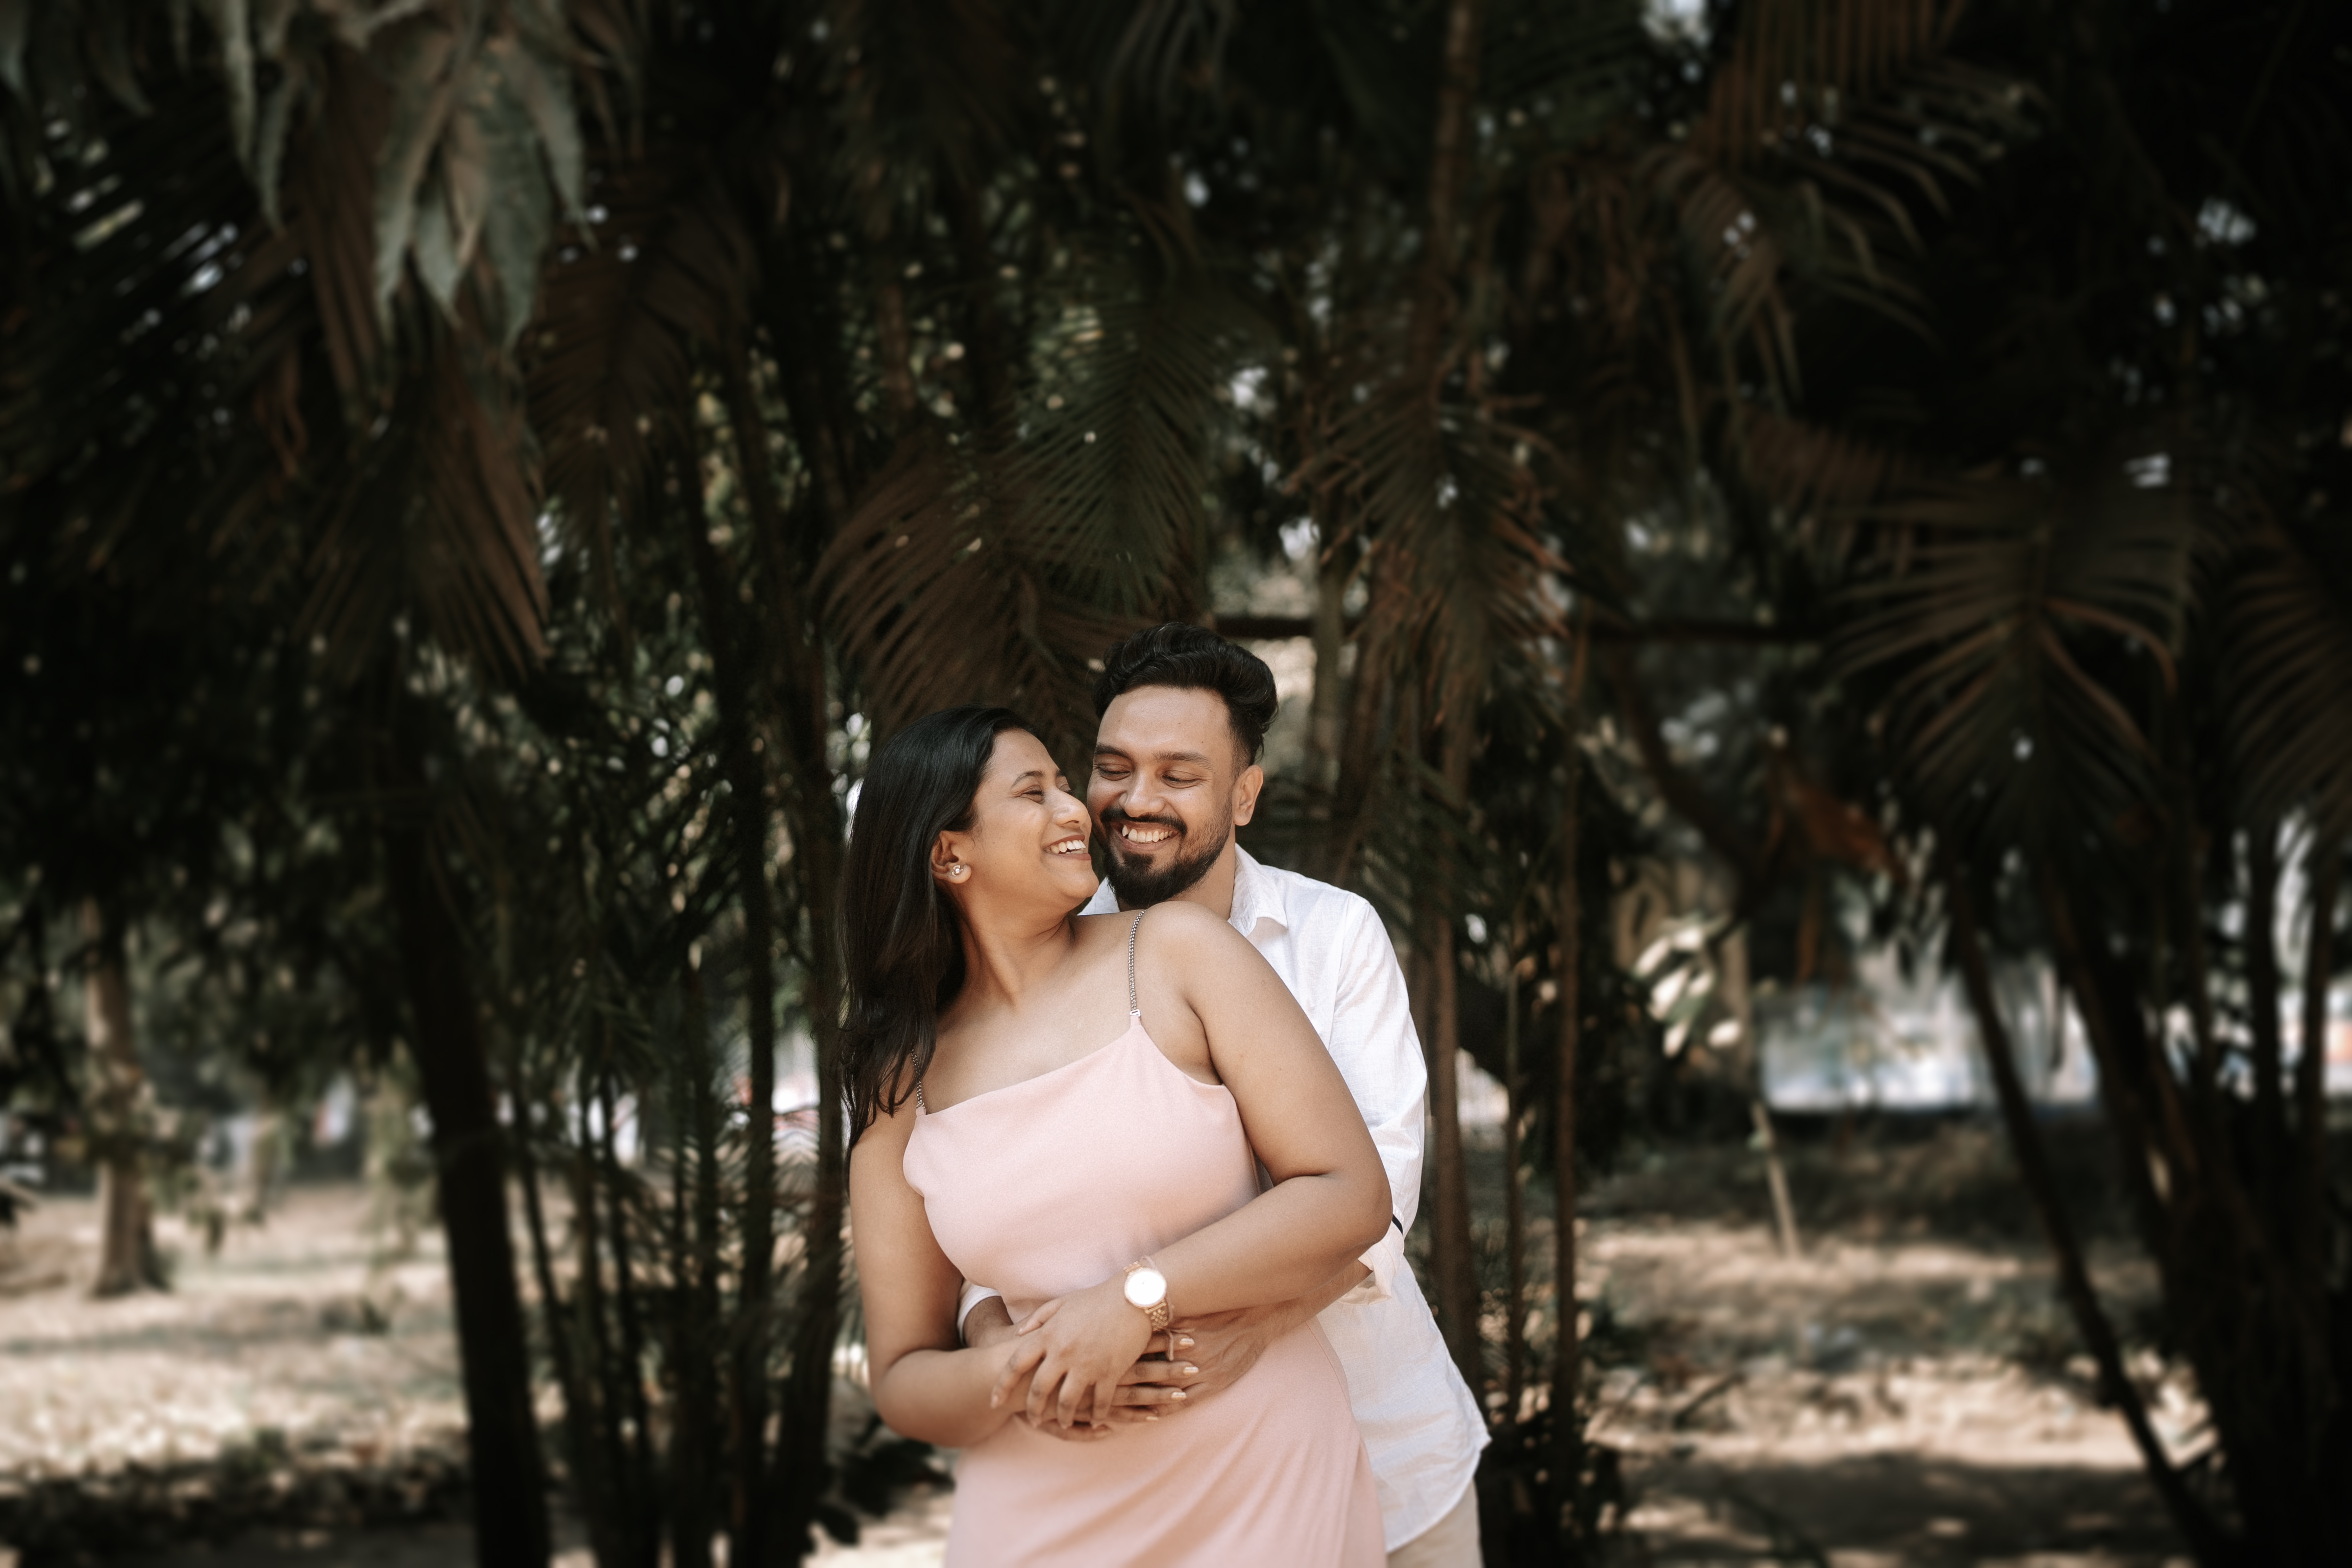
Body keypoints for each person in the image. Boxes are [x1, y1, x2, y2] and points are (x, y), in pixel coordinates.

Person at [961, 624, 1490, 1566]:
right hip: (1145, 1482)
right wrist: (998, 1334)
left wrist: (1243, 1327)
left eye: (1180, 775)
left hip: (1385, 1446)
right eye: (1115, 768)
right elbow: (982, 1187)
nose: (1136, 801)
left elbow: (1381, 1197)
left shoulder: (1333, 935)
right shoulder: (1039, 950)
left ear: (1245, 795)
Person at [843, 704, 1391, 1566]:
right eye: (1035, 793)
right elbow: (906, 1374)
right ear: (951, 853)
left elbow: (1350, 1193)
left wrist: (1134, 1299)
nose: (1076, 812)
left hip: (1257, 1485)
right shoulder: (898, 1081)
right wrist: (1020, 1375)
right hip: (1034, 1513)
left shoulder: (1177, 952)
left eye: (1066, 785)